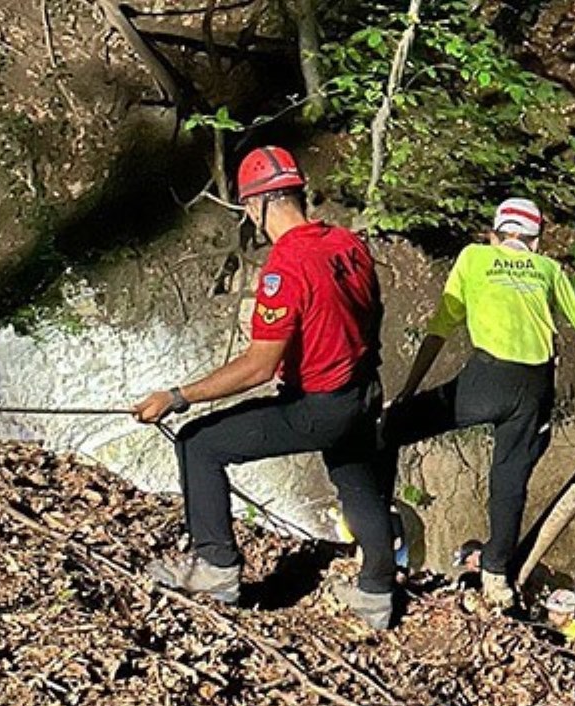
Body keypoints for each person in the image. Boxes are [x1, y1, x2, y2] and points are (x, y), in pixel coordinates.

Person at [133, 147, 395, 630]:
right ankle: (376, 596)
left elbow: (257, 366)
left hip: (318, 404)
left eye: (248, 207)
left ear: (258, 205)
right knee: (358, 483)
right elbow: (374, 312)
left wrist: (176, 397)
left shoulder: (285, 267)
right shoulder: (347, 243)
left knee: (200, 444)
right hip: (362, 391)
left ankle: (216, 567)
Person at [383, 198, 575, 608]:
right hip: (533, 386)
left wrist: (407, 389)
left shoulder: (474, 257)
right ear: (536, 242)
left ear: (495, 235)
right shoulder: (548, 269)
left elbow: (440, 326)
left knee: (392, 428)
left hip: (486, 379)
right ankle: (496, 578)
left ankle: (376, 527)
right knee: (509, 483)